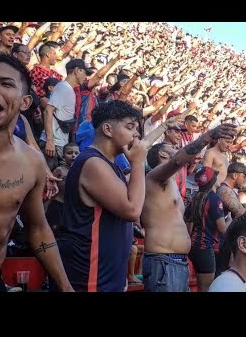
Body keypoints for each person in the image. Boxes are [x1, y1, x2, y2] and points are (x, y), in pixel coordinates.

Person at [54, 100, 165, 292]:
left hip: (106, 276)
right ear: (107, 129)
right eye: (130, 127)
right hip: (91, 276)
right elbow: (132, 210)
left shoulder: (110, 164)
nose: (136, 134)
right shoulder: (93, 163)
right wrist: (138, 163)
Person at [0, 53, 72, 292]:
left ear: (24, 103)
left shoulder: (31, 162)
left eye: (6, 83)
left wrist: (65, 287)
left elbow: (37, 228)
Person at [141, 123, 238, 292]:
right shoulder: (154, 176)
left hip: (176, 262)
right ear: (163, 153)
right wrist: (209, 136)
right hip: (164, 262)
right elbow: (179, 159)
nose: (177, 147)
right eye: (172, 148)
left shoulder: (170, 184)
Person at [185, 166, 229, 291]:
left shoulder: (194, 197)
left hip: (193, 246)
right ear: (212, 181)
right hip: (205, 247)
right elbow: (222, 228)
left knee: (201, 285)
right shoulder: (214, 199)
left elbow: (188, 224)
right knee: (206, 287)